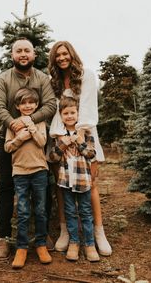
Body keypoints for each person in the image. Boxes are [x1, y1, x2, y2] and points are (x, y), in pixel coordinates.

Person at [0, 39, 56, 260]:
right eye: (18, 51)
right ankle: (4, 238)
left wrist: (28, 119)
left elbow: (50, 105)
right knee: (6, 187)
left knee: (42, 186)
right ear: (12, 55)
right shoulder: (2, 79)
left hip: (37, 140)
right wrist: (14, 123)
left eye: (27, 50)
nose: (23, 54)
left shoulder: (42, 78)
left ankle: (42, 235)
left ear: (34, 54)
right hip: (8, 138)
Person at [48, 40, 112, 256]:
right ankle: (66, 231)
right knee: (62, 184)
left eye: (65, 54)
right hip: (61, 135)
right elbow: (56, 111)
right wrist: (60, 138)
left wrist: (79, 135)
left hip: (84, 134)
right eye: (57, 55)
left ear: (71, 54)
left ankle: (98, 232)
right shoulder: (53, 81)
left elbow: (88, 107)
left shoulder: (87, 75)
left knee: (90, 182)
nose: (62, 58)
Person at [4, 87, 52, 268]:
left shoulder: (39, 123)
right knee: (23, 211)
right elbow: (7, 148)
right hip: (20, 173)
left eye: (31, 102)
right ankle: (21, 247)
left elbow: (41, 142)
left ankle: (40, 244)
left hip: (39, 170)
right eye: (23, 103)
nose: (28, 106)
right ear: (17, 106)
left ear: (37, 104)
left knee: (40, 210)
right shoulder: (13, 125)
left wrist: (30, 126)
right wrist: (19, 138)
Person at [49, 96, 100, 262]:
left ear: (78, 114)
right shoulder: (58, 135)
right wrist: (62, 144)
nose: (69, 116)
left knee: (85, 212)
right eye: (66, 113)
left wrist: (79, 142)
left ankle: (90, 244)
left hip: (83, 181)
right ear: (61, 116)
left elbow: (92, 154)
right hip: (66, 182)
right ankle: (74, 242)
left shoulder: (86, 133)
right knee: (70, 212)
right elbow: (53, 158)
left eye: (72, 112)